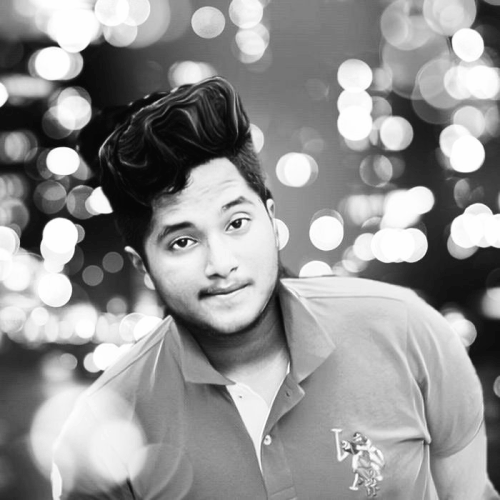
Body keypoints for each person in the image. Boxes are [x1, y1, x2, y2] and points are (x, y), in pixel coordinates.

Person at [52, 76, 499, 500]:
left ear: (271, 218)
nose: (221, 264)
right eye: (182, 241)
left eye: (237, 222)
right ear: (143, 266)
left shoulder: (407, 331)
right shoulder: (102, 427)